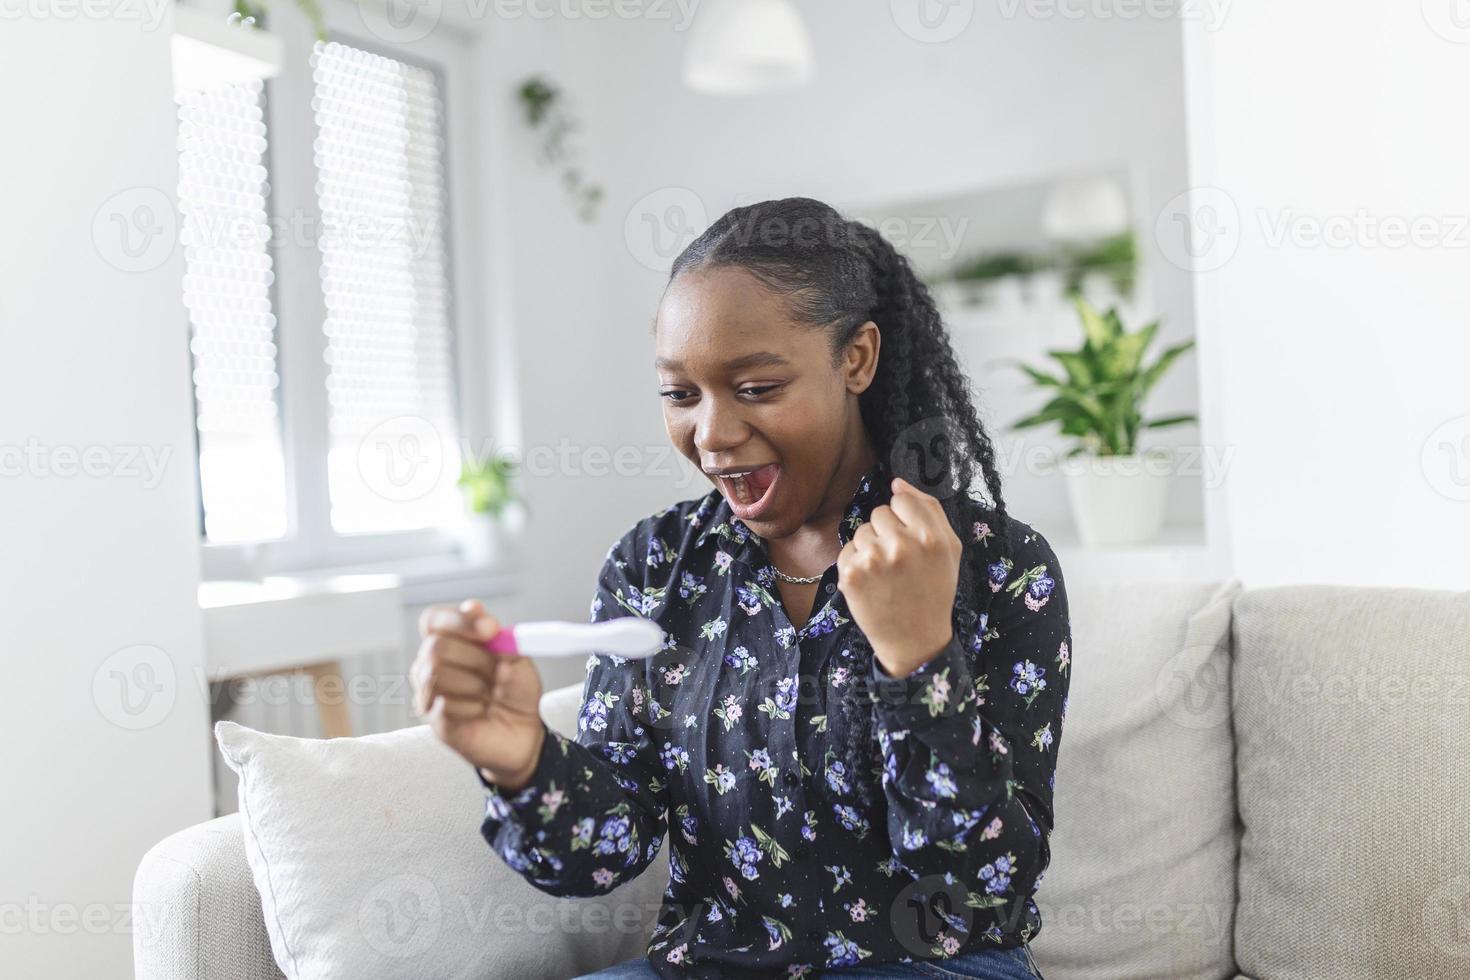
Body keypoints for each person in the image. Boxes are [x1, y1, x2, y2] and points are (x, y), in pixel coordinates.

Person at [412, 198, 1070, 979]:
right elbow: (602, 857)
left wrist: (919, 660)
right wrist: (520, 762)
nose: (713, 434)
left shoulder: (996, 565)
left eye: (756, 388)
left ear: (856, 359)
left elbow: (983, 890)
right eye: (680, 395)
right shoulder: (654, 567)